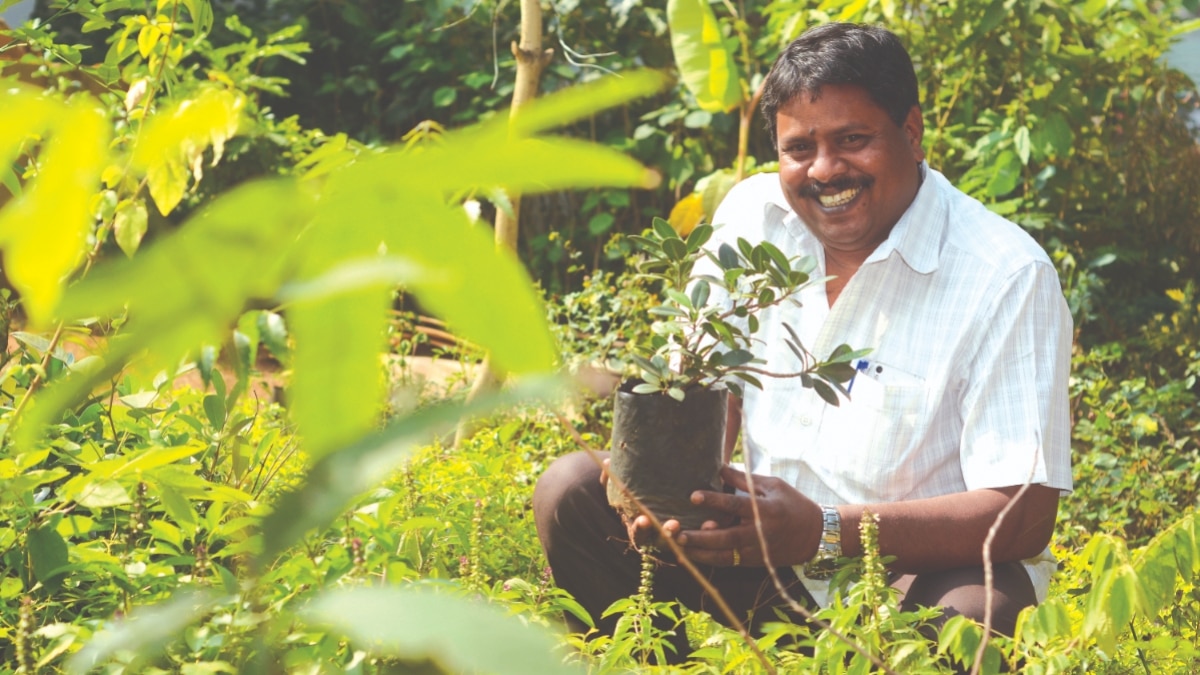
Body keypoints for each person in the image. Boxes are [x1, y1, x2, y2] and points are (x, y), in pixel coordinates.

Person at [533, 21, 1073, 656]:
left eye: (852, 139)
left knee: (979, 610)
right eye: (799, 148)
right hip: (749, 554)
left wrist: (823, 532)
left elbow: (1024, 514)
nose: (824, 170)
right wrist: (666, 493)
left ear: (912, 130)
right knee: (570, 491)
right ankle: (662, 662)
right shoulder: (753, 217)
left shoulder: (1004, 274)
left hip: (895, 584)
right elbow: (705, 387)